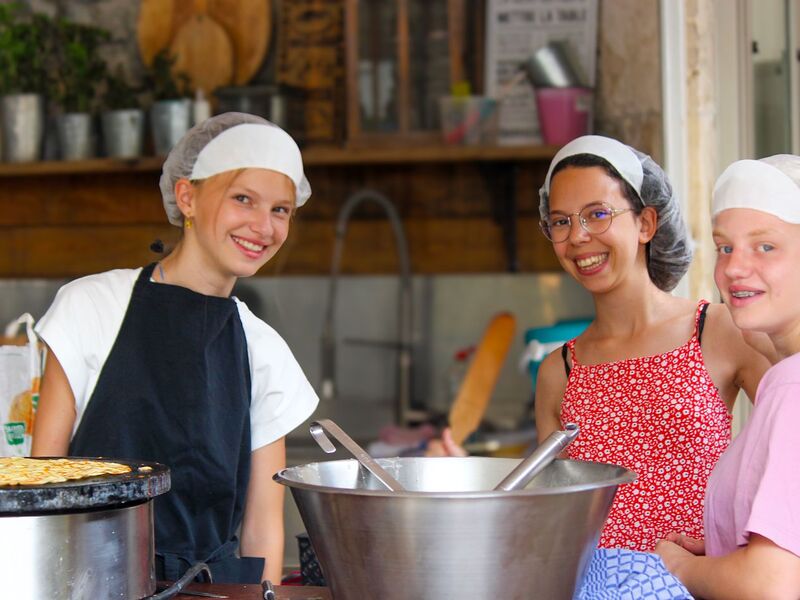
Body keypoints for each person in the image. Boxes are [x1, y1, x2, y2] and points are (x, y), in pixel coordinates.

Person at [430, 135, 769, 552]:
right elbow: (544, 517)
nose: (577, 236)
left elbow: (786, 459)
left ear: (645, 223)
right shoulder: (560, 370)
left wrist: (748, 554)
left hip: (699, 588)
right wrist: (464, 479)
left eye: (597, 214)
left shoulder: (716, 329)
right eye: (560, 221)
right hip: (589, 586)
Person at [31, 113, 318, 584]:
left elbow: (262, 525)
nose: (263, 227)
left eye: (280, 209)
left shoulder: (264, 349)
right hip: (91, 584)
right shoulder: (90, 307)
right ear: (187, 196)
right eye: (242, 199)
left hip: (217, 590)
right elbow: (45, 480)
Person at [655, 155, 800, 599]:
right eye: (724, 247)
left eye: (765, 246)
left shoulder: (793, 389)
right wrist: (722, 551)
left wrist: (678, 567)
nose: (734, 268)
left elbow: (770, 587)